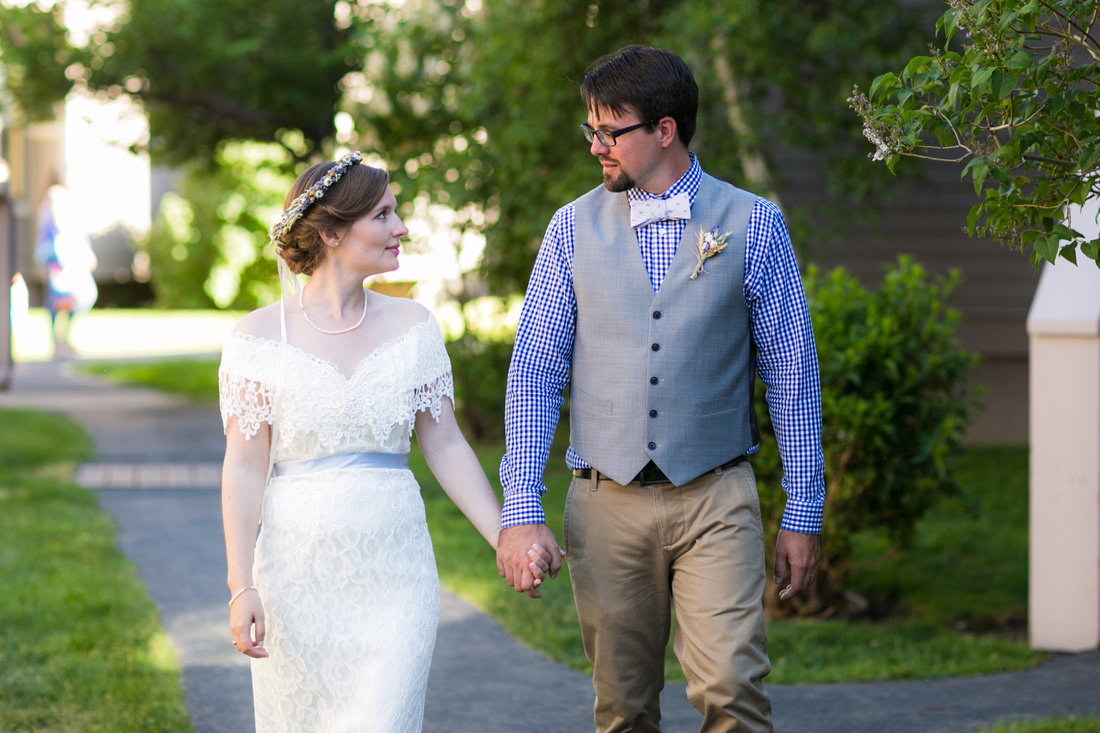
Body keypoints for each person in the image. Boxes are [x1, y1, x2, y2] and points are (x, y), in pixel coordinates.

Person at [496, 46, 826, 733]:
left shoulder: (754, 223)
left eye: (609, 131)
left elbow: (793, 373)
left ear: (665, 129)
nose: (596, 147)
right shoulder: (568, 229)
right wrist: (520, 504)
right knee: (623, 709)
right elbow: (534, 371)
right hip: (604, 499)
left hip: (716, 494)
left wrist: (805, 506)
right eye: (590, 130)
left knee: (734, 686)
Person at [218, 152, 553, 732]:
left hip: (396, 573)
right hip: (296, 577)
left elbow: (446, 446)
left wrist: (507, 536)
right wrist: (239, 584)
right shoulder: (255, 338)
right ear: (331, 232)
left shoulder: (414, 326)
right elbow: (245, 467)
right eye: (383, 215)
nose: (401, 227)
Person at [34, 169, 97, 349]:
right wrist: (81, 252)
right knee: (62, 296)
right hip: (59, 255)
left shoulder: (63, 196)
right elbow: (64, 227)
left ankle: (61, 339)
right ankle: (58, 340)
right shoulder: (57, 195)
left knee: (76, 296)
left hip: (64, 254)